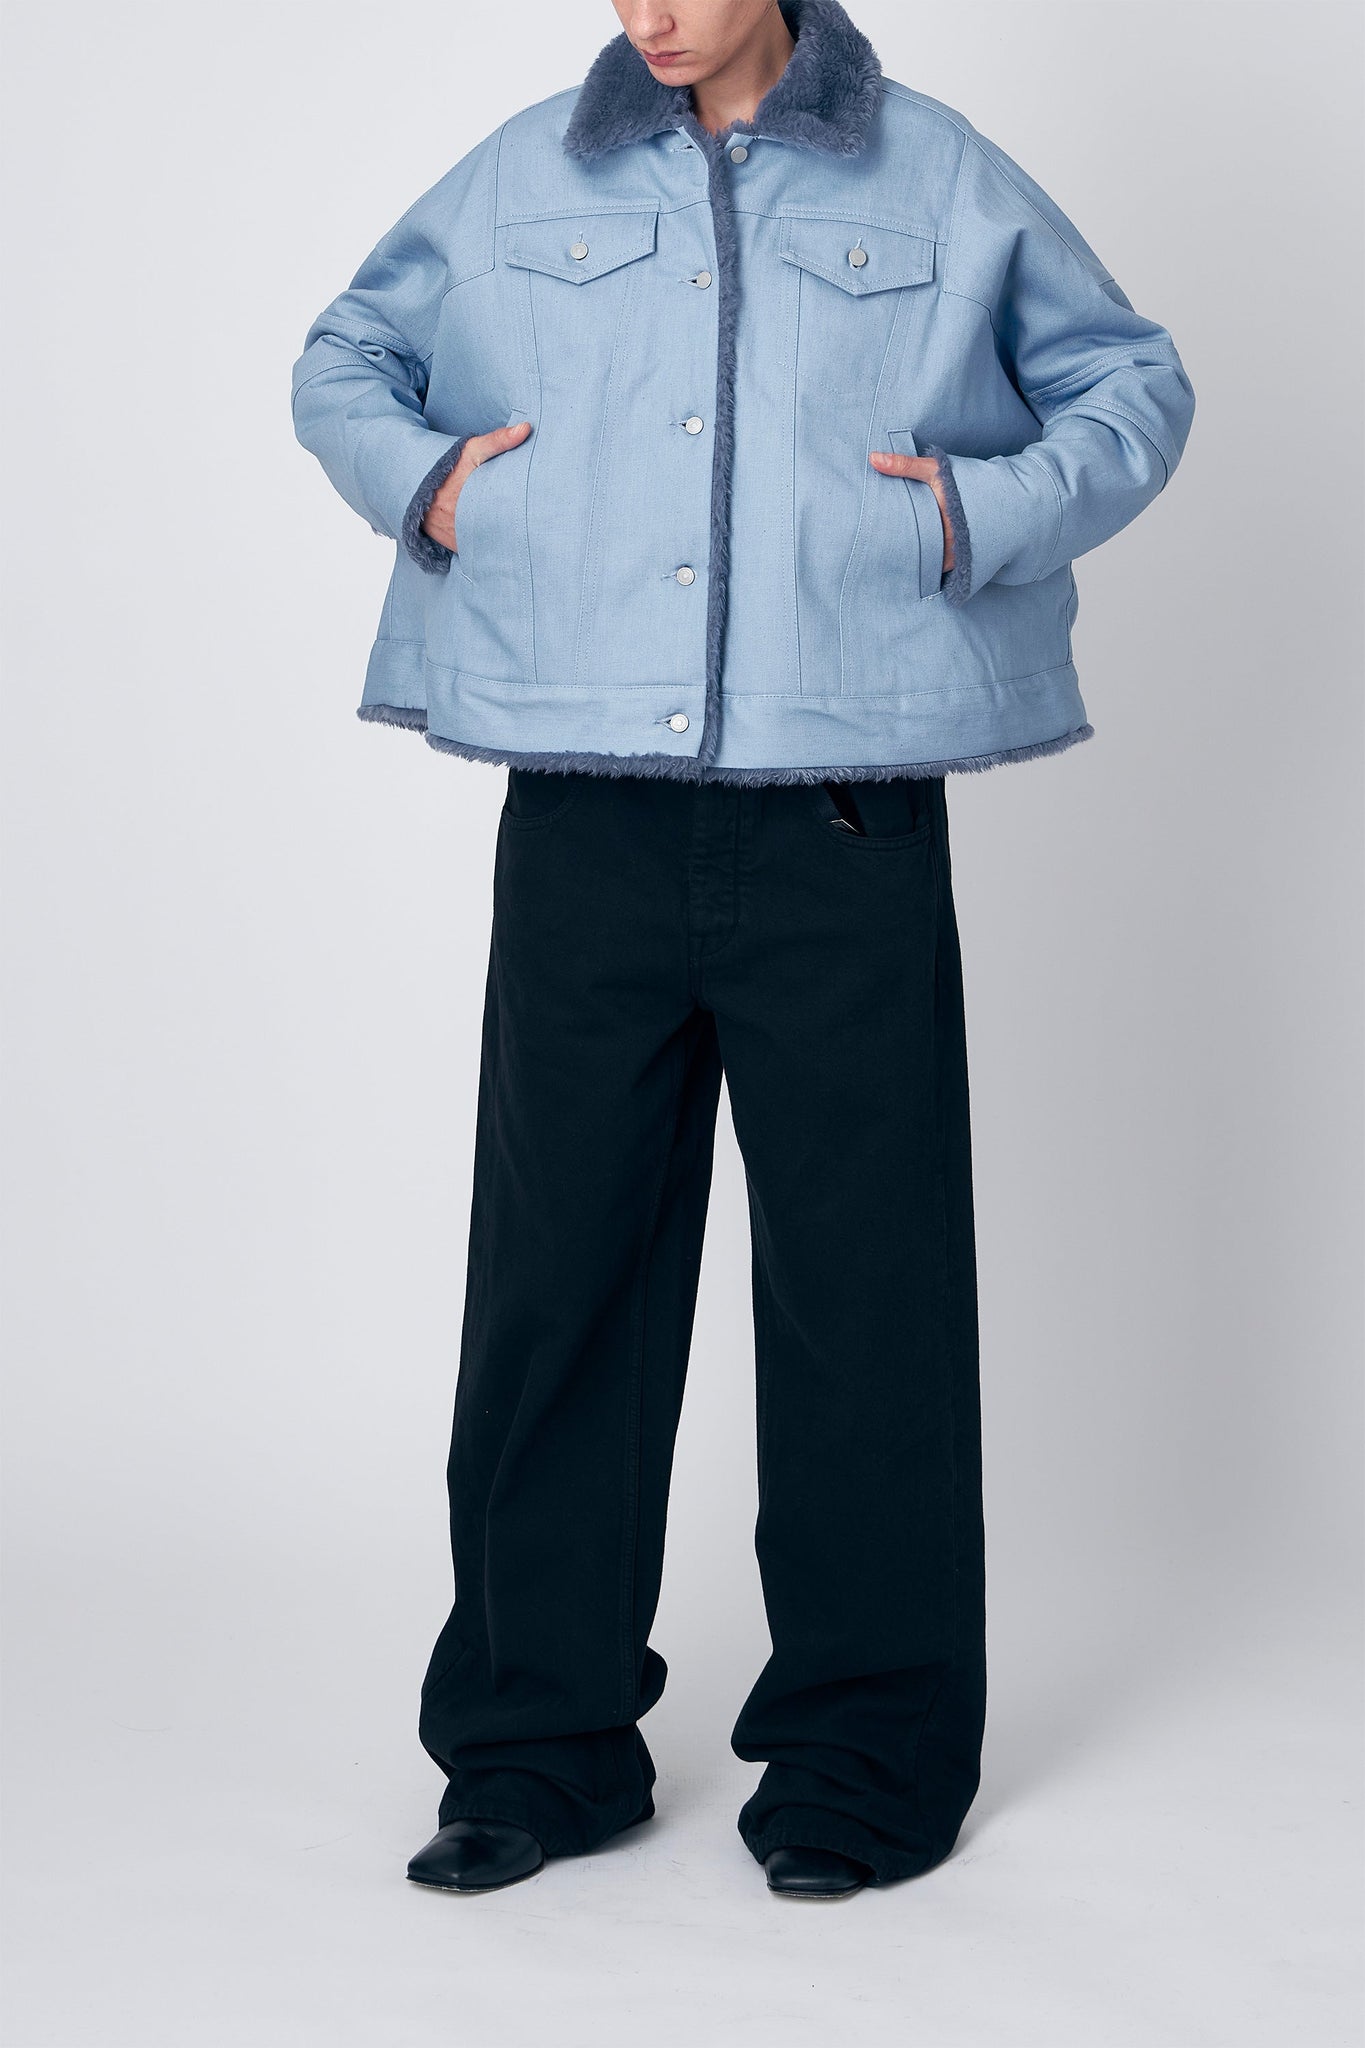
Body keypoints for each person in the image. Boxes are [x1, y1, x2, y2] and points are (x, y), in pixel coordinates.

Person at [291, 0, 1194, 1900]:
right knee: (555, 1290)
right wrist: (429, 483)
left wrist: (978, 515)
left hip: (841, 808)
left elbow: (1129, 384)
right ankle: (535, 1751)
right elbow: (346, 356)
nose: (647, 15)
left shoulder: (934, 169)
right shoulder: (526, 170)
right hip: (586, 810)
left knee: (865, 1303)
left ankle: (864, 1762)